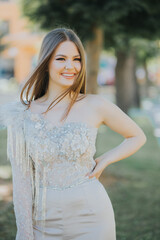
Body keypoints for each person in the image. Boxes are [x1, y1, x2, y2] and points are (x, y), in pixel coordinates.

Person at [0, 28, 146, 240]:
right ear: (46, 62)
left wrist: (106, 159)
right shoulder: (21, 114)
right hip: (42, 221)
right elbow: (22, 182)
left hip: (93, 217)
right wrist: (25, 232)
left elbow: (137, 136)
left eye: (76, 59)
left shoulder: (96, 105)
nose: (71, 66)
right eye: (61, 58)